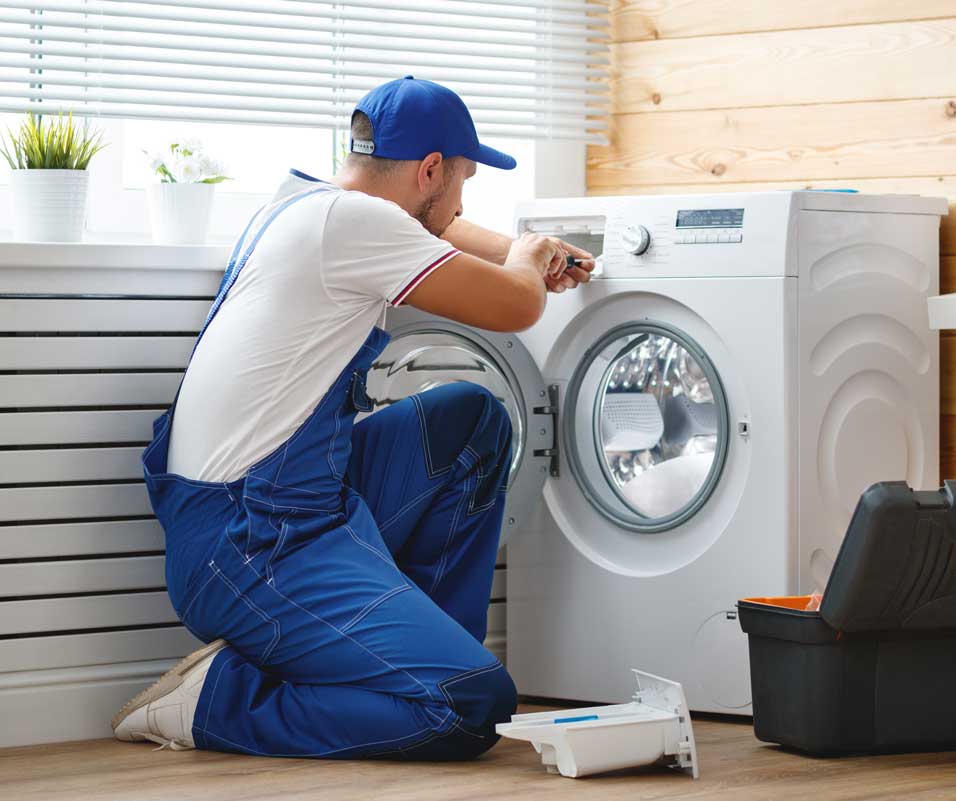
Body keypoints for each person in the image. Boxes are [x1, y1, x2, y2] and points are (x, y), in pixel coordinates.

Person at [110, 76, 594, 760]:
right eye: (462, 180)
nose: (462, 201)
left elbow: (444, 228)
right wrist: (526, 263)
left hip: (283, 507)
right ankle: (215, 701)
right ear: (429, 169)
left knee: (470, 423)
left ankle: (416, 654)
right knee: (471, 705)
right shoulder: (362, 226)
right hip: (251, 545)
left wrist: (528, 248)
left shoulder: (307, 203)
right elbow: (517, 306)